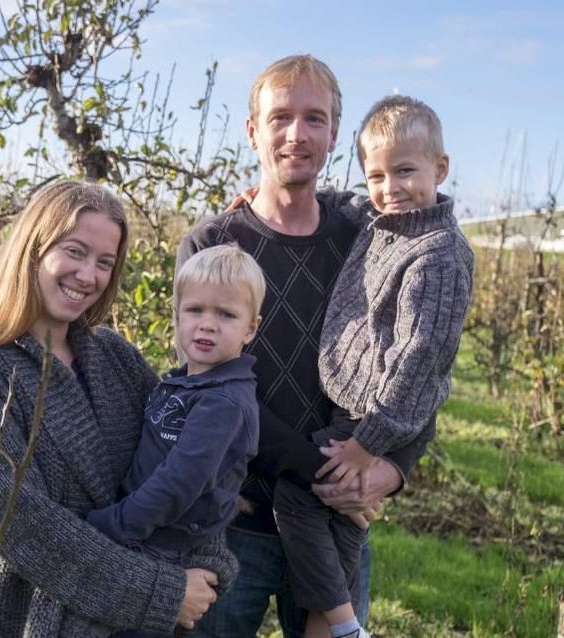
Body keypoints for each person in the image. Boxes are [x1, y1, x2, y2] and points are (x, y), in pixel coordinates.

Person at [177, 55, 433, 637]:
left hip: (338, 524)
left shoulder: (368, 236)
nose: (297, 134)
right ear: (252, 131)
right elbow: (207, 384)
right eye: (280, 117)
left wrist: (392, 468)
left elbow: (420, 356)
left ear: (335, 135)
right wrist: (327, 470)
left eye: (314, 119)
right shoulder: (215, 243)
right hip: (231, 526)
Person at [0, 180, 236, 637]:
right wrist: (160, 592)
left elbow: (186, 460)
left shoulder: (117, 358)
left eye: (105, 263)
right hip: (24, 619)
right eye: (74, 251)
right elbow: (15, 522)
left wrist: (206, 555)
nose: (89, 275)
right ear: (33, 248)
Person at [272, 95, 475, 638]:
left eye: (405, 171)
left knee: (300, 495)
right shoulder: (385, 219)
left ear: (441, 169)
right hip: (357, 407)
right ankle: (340, 626)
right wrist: (260, 195)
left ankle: (341, 624)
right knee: (339, 526)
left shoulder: (436, 255)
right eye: (377, 176)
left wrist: (369, 445)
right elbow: (344, 203)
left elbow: (419, 362)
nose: (391, 189)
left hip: (368, 416)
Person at [86, 245, 265, 636]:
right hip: (147, 534)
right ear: (177, 316)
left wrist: (113, 525)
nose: (207, 324)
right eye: (195, 310)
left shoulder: (223, 402)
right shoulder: (188, 382)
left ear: (250, 328)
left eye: (226, 314)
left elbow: (180, 481)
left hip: (162, 547)